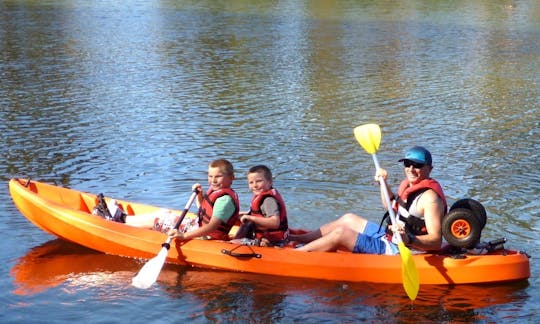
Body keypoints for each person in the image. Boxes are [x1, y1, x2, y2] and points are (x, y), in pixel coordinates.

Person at [291, 146, 447, 254]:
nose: (411, 169)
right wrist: (383, 183)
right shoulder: (408, 185)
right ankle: (295, 239)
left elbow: (435, 241)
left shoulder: (430, 200)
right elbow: (389, 205)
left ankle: (295, 255)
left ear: (429, 169)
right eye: (407, 164)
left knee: (341, 233)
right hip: (389, 237)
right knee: (348, 219)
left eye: (417, 165)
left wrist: (409, 239)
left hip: (400, 250)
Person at [168, 158, 240, 241]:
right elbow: (203, 209)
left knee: (153, 220)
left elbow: (212, 227)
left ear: (231, 178)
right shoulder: (217, 193)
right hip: (199, 226)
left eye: (218, 176)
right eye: (210, 176)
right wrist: (199, 195)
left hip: (207, 236)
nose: (213, 180)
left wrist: (184, 236)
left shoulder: (224, 200)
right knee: (165, 213)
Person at [234, 165, 289, 246]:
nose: (255, 185)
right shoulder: (262, 197)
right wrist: (245, 214)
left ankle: (258, 243)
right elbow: (260, 213)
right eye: (251, 182)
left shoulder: (268, 200)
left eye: (259, 181)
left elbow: (275, 222)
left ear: (270, 182)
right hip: (274, 238)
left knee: (233, 243)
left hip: (272, 241)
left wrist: (250, 218)